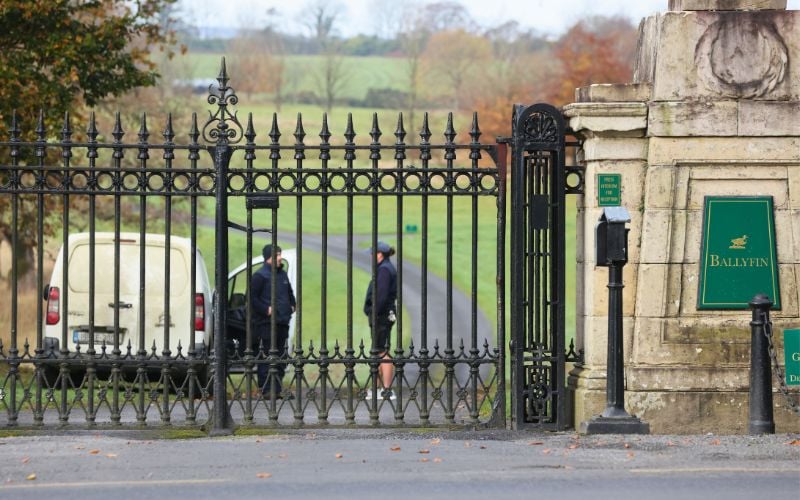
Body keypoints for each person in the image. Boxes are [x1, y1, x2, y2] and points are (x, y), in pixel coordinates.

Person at [251, 244, 296, 398]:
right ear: (269, 257)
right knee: (266, 357)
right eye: (277, 255)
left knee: (281, 357)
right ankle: (265, 390)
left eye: (280, 254)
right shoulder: (260, 276)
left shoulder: (282, 274)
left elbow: (289, 292)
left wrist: (292, 305)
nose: (280, 258)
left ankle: (276, 389)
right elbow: (252, 299)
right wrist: (266, 309)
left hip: (283, 322)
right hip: (266, 324)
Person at [363, 241, 397, 400]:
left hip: (381, 315)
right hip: (383, 314)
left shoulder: (384, 270)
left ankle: (386, 389)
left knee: (381, 351)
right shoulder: (385, 268)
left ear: (379, 254)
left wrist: (373, 312)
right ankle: (378, 388)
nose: (370, 256)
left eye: (372, 253)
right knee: (378, 350)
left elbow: (381, 296)